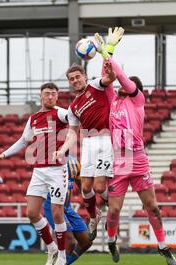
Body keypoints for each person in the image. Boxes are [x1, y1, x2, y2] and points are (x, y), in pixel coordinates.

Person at [93, 32, 176, 265]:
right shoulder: (112, 99)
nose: (121, 85)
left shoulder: (137, 99)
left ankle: (163, 246)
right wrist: (106, 52)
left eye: (127, 84)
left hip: (138, 158)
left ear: (134, 88)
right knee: (114, 210)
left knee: (152, 206)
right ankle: (111, 240)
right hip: (119, 160)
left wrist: (107, 50)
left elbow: (118, 74)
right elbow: (108, 75)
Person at [0, 82, 70, 265]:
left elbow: (74, 119)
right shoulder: (34, 119)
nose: (50, 97)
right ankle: (51, 247)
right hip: (39, 169)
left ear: (57, 96)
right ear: (40, 96)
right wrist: (4, 154)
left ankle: (62, 254)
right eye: (47, 94)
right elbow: (23, 141)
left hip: (57, 168)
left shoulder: (61, 113)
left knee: (57, 212)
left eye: (53, 93)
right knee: (32, 212)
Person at [53, 27, 125, 241]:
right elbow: (72, 134)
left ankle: (114, 206)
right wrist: (63, 150)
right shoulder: (74, 106)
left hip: (105, 140)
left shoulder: (96, 85)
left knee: (99, 186)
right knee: (85, 187)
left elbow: (110, 76)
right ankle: (94, 217)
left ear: (84, 76)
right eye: (71, 79)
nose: (75, 81)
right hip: (89, 143)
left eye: (77, 77)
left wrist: (108, 52)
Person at [43, 155, 92, 265]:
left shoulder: (74, 161)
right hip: (53, 204)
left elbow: (81, 183)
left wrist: (91, 205)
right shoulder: (50, 160)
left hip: (67, 206)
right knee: (69, 241)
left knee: (86, 242)